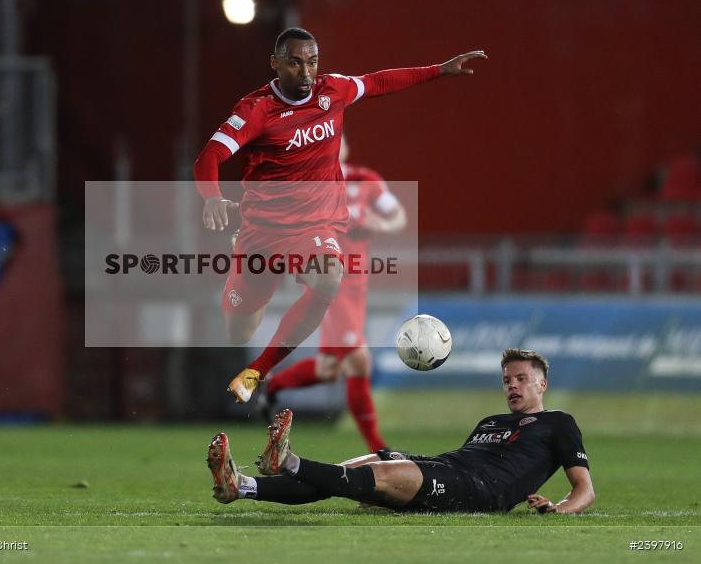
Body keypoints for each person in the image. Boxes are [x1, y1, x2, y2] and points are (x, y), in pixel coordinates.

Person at [193, 27, 486, 403]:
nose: (305, 72)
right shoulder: (256, 109)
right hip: (262, 231)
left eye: (312, 62)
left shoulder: (333, 90)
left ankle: (257, 372)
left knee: (329, 278)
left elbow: (379, 82)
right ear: (276, 64)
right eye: (295, 63)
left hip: (318, 223)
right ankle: (245, 272)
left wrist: (439, 70)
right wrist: (213, 198)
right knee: (240, 332)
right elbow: (209, 157)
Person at [207, 349, 595, 514]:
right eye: (507, 379)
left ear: (541, 384)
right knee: (356, 469)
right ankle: (240, 487)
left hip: (480, 491)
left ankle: (287, 461)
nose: (512, 385)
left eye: (522, 379)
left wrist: (560, 508)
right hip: (451, 470)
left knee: (378, 475)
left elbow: (585, 490)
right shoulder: (490, 422)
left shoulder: (558, 422)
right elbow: (462, 463)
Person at [260, 135, 406, 452]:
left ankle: (273, 385)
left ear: (347, 148)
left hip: (356, 286)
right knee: (358, 360)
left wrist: (375, 223)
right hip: (328, 281)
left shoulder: (366, 181)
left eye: (337, 141)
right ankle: (379, 450)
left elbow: (398, 218)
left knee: (329, 369)